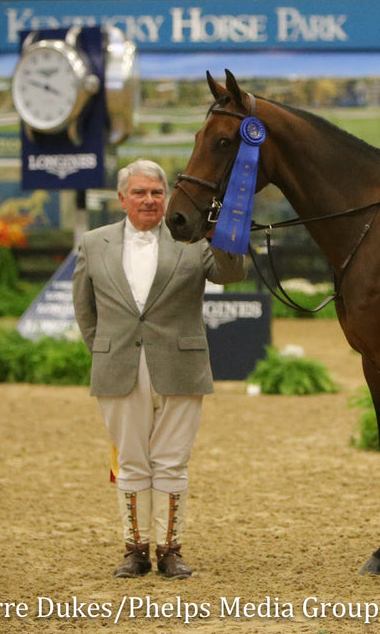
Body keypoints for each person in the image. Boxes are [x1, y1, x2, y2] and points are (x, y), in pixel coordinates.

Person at [72, 159, 246, 579]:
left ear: (166, 196)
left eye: (155, 192)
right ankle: (135, 550)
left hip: (180, 363)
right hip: (119, 365)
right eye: (139, 192)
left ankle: (170, 550)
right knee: (131, 461)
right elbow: (85, 310)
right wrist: (104, 350)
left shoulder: (190, 239)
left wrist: (223, 229)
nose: (148, 200)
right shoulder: (94, 243)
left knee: (171, 461)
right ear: (122, 198)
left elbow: (231, 272)